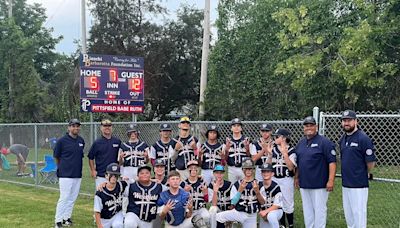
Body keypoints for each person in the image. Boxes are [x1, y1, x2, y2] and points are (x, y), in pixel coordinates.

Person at [295, 116, 337, 228]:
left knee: (319, 211)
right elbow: (299, 162)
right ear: (303, 128)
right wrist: (296, 177)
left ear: (316, 127)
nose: (309, 128)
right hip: (304, 183)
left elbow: (332, 162)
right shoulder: (301, 143)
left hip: (320, 184)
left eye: (311, 125)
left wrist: (331, 180)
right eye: (306, 125)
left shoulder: (325, 142)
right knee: (307, 210)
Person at [339, 110, 377, 228]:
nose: (346, 123)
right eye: (344, 120)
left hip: (359, 184)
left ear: (356, 121)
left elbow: (370, 163)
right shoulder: (342, 139)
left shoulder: (363, 138)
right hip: (346, 184)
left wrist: (361, 173)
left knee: (359, 216)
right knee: (349, 216)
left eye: (349, 120)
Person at [53, 119, 85, 228]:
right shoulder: (62, 141)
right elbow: (57, 157)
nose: (75, 128)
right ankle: (58, 221)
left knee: (72, 198)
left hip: (77, 174)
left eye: (77, 126)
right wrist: (61, 168)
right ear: (69, 127)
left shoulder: (81, 140)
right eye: (73, 126)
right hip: (65, 174)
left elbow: (80, 156)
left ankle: (66, 218)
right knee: (64, 197)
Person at [216, 159, 264, 227]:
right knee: (217, 217)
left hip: (251, 216)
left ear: (253, 169)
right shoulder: (237, 184)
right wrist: (240, 190)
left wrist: (257, 192)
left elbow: (263, 202)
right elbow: (233, 202)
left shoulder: (259, 184)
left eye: (250, 169)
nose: (248, 171)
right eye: (246, 169)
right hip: (239, 213)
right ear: (242, 169)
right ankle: (233, 222)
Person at [270, 128, 296, 228]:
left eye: (277, 137)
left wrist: (285, 154)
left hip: (286, 179)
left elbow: (290, 167)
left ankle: (290, 225)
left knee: (288, 202)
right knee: (277, 201)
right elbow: (268, 165)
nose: (275, 138)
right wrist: (269, 154)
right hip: (275, 178)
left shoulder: (291, 150)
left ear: (284, 138)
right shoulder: (273, 149)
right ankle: (282, 224)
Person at [88, 119, 121, 187]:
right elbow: (90, 157)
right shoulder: (97, 142)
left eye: (109, 125)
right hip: (101, 175)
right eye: (105, 126)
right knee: (100, 195)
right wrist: (93, 170)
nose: (107, 127)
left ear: (112, 127)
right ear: (101, 128)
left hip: (115, 175)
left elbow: (120, 158)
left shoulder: (117, 141)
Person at [94, 163, 127, 228]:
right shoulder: (100, 192)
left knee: (118, 225)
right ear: (106, 176)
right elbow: (97, 211)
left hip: (117, 215)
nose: (113, 177)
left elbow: (138, 181)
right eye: (111, 175)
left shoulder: (121, 185)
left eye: (116, 175)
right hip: (104, 218)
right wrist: (99, 226)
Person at [180, 160, 210, 227]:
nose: (193, 169)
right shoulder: (183, 184)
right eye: (191, 168)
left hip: (200, 209)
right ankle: (197, 223)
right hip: (189, 211)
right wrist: (184, 193)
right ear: (188, 170)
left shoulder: (203, 183)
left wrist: (205, 193)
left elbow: (207, 200)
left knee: (207, 216)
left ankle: (201, 224)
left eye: (195, 168)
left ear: (198, 170)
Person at [172, 116, 199, 181]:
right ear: (179, 125)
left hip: (192, 169)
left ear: (189, 126)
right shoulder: (174, 140)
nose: (185, 124)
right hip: (181, 170)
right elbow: (172, 159)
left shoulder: (195, 139)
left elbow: (199, 157)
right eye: (183, 123)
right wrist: (176, 150)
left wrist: (195, 149)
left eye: (187, 123)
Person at [225, 118, 251, 183]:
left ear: (241, 128)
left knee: (245, 187)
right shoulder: (227, 141)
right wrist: (227, 149)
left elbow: (250, 157)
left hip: (244, 168)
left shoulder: (246, 140)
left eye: (238, 126)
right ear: (231, 128)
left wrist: (247, 148)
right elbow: (224, 158)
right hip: (231, 168)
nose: (236, 127)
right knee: (233, 187)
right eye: (234, 126)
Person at [259, 163, 283, 228]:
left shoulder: (276, 187)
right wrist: (262, 212)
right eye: (263, 171)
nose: (265, 173)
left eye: (268, 171)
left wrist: (265, 212)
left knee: (271, 216)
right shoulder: (258, 185)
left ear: (272, 173)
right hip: (264, 213)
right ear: (261, 173)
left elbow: (276, 205)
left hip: (276, 211)